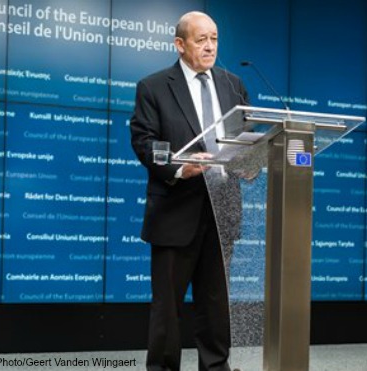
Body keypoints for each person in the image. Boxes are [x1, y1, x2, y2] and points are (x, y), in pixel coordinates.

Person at [130, 11, 249, 371]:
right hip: (176, 210)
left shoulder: (234, 85)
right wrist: (182, 167)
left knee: (215, 302)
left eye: (214, 38)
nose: (210, 46)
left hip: (222, 208)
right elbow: (144, 141)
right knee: (168, 305)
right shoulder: (153, 86)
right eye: (201, 39)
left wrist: (251, 161)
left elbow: (246, 137)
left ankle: (215, 367)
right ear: (180, 45)